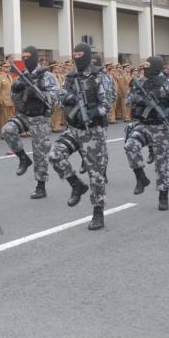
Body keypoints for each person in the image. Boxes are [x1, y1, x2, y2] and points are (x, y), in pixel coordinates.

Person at [47, 42, 115, 231]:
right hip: (73, 129)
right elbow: (60, 97)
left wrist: (94, 112)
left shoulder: (100, 76)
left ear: (86, 54)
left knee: (96, 174)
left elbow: (108, 102)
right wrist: (67, 99)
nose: (77, 56)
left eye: (80, 53)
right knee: (55, 154)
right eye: (74, 53)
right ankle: (76, 184)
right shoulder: (70, 75)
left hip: (93, 131)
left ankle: (98, 211)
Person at [1, 46, 59, 200]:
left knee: (40, 153)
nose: (26, 59)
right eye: (23, 57)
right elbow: (14, 97)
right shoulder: (22, 75)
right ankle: (23, 158)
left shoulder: (46, 75)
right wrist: (16, 88)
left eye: (28, 57)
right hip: (25, 115)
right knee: (7, 130)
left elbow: (56, 98)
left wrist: (40, 94)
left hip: (40, 118)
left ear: (35, 57)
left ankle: (41, 186)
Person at [124, 56, 169, 210]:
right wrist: (139, 99)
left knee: (162, 165)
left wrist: (165, 110)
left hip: (161, 127)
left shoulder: (168, 83)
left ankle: (163, 195)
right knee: (130, 146)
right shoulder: (140, 82)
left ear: (156, 67)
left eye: (148, 66)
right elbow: (127, 101)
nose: (144, 69)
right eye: (144, 66)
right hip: (143, 125)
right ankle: (141, 177)